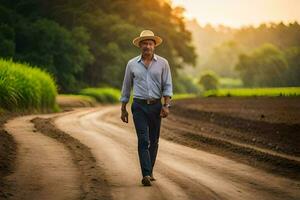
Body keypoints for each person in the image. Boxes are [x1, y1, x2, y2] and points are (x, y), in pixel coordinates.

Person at [120, 30, 173, 186]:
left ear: (154, 46)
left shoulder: (163, 63)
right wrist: (123, 108)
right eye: (144, 44)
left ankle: (149, 171)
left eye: (150, 43)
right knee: (143, 139)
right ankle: (146, 174)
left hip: (156, 106)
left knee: (154, 140)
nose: (147, 46)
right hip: (139, 106)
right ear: (140, 46)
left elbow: (167, 85)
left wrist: (166, 105)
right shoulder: (131, 64)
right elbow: (126, 86)